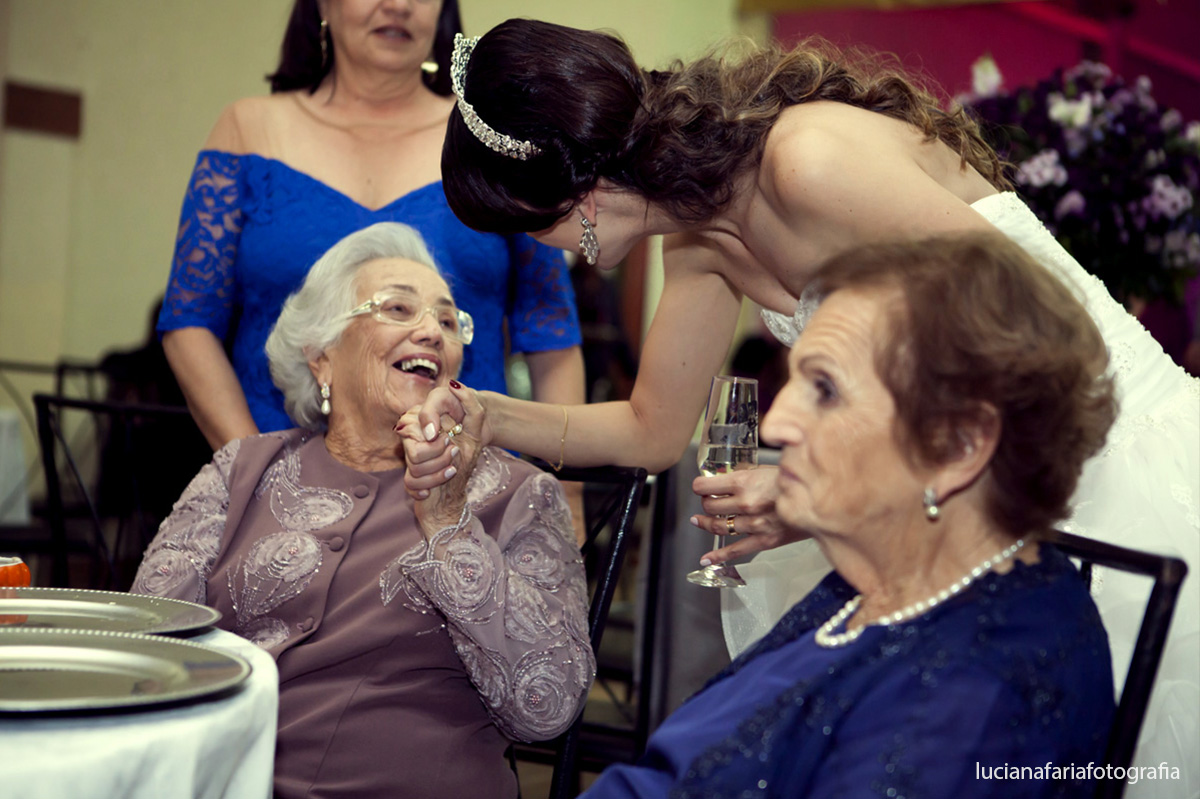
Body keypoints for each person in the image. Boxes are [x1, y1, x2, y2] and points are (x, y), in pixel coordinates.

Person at [409, 21, 1198, 789]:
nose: (536, 248)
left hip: (1097, 456)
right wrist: (489, 415)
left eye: (522, 227)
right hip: (959, 493)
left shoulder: (806, 160)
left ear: (575, 196)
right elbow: (652, 431)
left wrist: (807, 495)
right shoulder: (696, 244)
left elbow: (1025, 333)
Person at [574, 232, 1117, 798]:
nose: (777, 424)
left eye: (826, 390)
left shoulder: (972, 693)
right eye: (795, 379)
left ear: (958, 445)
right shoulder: (879, 586)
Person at [132, 223, 593, 799]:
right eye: (398, 308)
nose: (431, 331)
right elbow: (147, 640)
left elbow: (549, 703)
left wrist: (450, 528)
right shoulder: (242, 469)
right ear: (322, 356)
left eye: (449, 322)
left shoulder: (518, 494)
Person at [157, 0, 584, 451]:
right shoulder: (246, 130)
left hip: (467, 480)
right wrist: (249, 469)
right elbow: (190, 322)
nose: (398, 5)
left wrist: (568, 498)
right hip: (275, 472)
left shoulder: (491, 142)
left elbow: (551, 333)